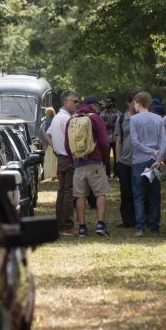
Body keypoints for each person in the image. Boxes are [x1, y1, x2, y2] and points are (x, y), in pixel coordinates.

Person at [64, 95, 111, 237]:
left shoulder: (71, 120)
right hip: (95, 162)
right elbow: (104, 143)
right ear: (94, 106)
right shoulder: (96, 118)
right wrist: (104, 161)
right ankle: (100, 224)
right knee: (101, 193)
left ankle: (82, 227)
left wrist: (74, 161)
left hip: (78, 162)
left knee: (80, 196)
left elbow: (67, 145)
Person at [129, 91, 166, 236]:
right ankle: (155, 226)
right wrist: (157, 158)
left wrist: (150, 151)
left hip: (139, 160)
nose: (134, 105)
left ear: (138, 102)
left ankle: (140, 226)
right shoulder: (159, 119)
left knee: (139, 194)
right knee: (154, 194)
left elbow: (135, 142)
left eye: (134, 102)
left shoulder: (134, 120)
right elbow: (163, 141)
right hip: (153, 161)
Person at [46, 91, 80, 236]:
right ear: (66, 102)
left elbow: (47, 135)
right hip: (68, 158)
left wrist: (56, 149)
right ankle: (67, 226)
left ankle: (60, 224)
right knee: (68, 192)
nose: (77, 104)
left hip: (61, 157)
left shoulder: (57, 117)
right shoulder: (66, 119)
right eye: (75, 101)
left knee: (62, 191)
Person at [113, 91, 137, 228]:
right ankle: (127, 219)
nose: (137, 104)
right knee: (126, 191)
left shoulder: (142, 118)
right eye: (134, 101)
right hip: (125, 161)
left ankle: (140, 217)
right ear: (129, 103)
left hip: (140, 161)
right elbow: (118, 141)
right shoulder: (122, 118)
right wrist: (118, 160)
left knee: (139, 191)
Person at [99, 96, 120, 177]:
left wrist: (108, 125)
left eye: (109, 101)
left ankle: (117, 174)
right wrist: (108, 125)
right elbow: (100, 126)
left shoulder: (118, 113)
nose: (107, 103)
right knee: (106, 157)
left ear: (113, 103)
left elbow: (118, 126)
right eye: (106, 101)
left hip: (115, 139)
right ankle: (107, 174)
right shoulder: (102, 113)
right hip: (106, 139)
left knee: (117, 157)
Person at [41, 107, 57, 180]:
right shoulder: (55, 120)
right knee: (54, 160)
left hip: (48, 143)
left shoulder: (47, 121)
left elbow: (46, 133)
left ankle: (48, 175)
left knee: (48, 160)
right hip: (55, 142)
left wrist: (45, 144)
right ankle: (54, 175)